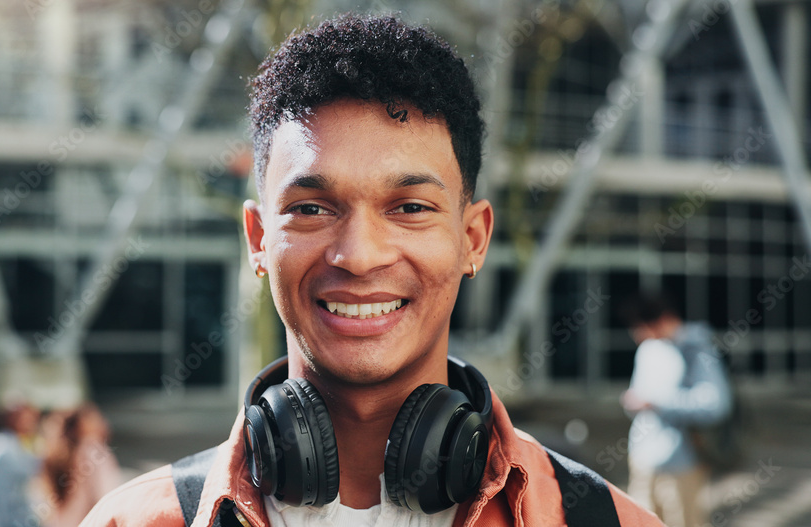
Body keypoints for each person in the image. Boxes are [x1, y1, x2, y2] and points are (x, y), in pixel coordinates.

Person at [82, 14, 662, 526]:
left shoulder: (607, 521)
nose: (359, 256)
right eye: (311, 209)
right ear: (258, 240)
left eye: (409, 208)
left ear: (472, 240)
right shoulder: (132, 521)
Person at [620, 294, 732, 527]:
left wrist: (658, 403)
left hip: (682, 463)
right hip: (643, 459)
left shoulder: (697, 351)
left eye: (641, 328)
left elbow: (715, 405)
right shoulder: (649, 349)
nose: (638, 336)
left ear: (662, 320)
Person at [41, 404, 122, 527]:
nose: (104, 422)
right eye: (97, 418)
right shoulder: (93, 451)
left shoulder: (57, 454)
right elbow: (109, 497)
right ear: (82, 425)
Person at [0, 401, 44, 527]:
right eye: (25, 417)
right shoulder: (1, 445)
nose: (31, 421)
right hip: (2, 517)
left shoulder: (20, 442)